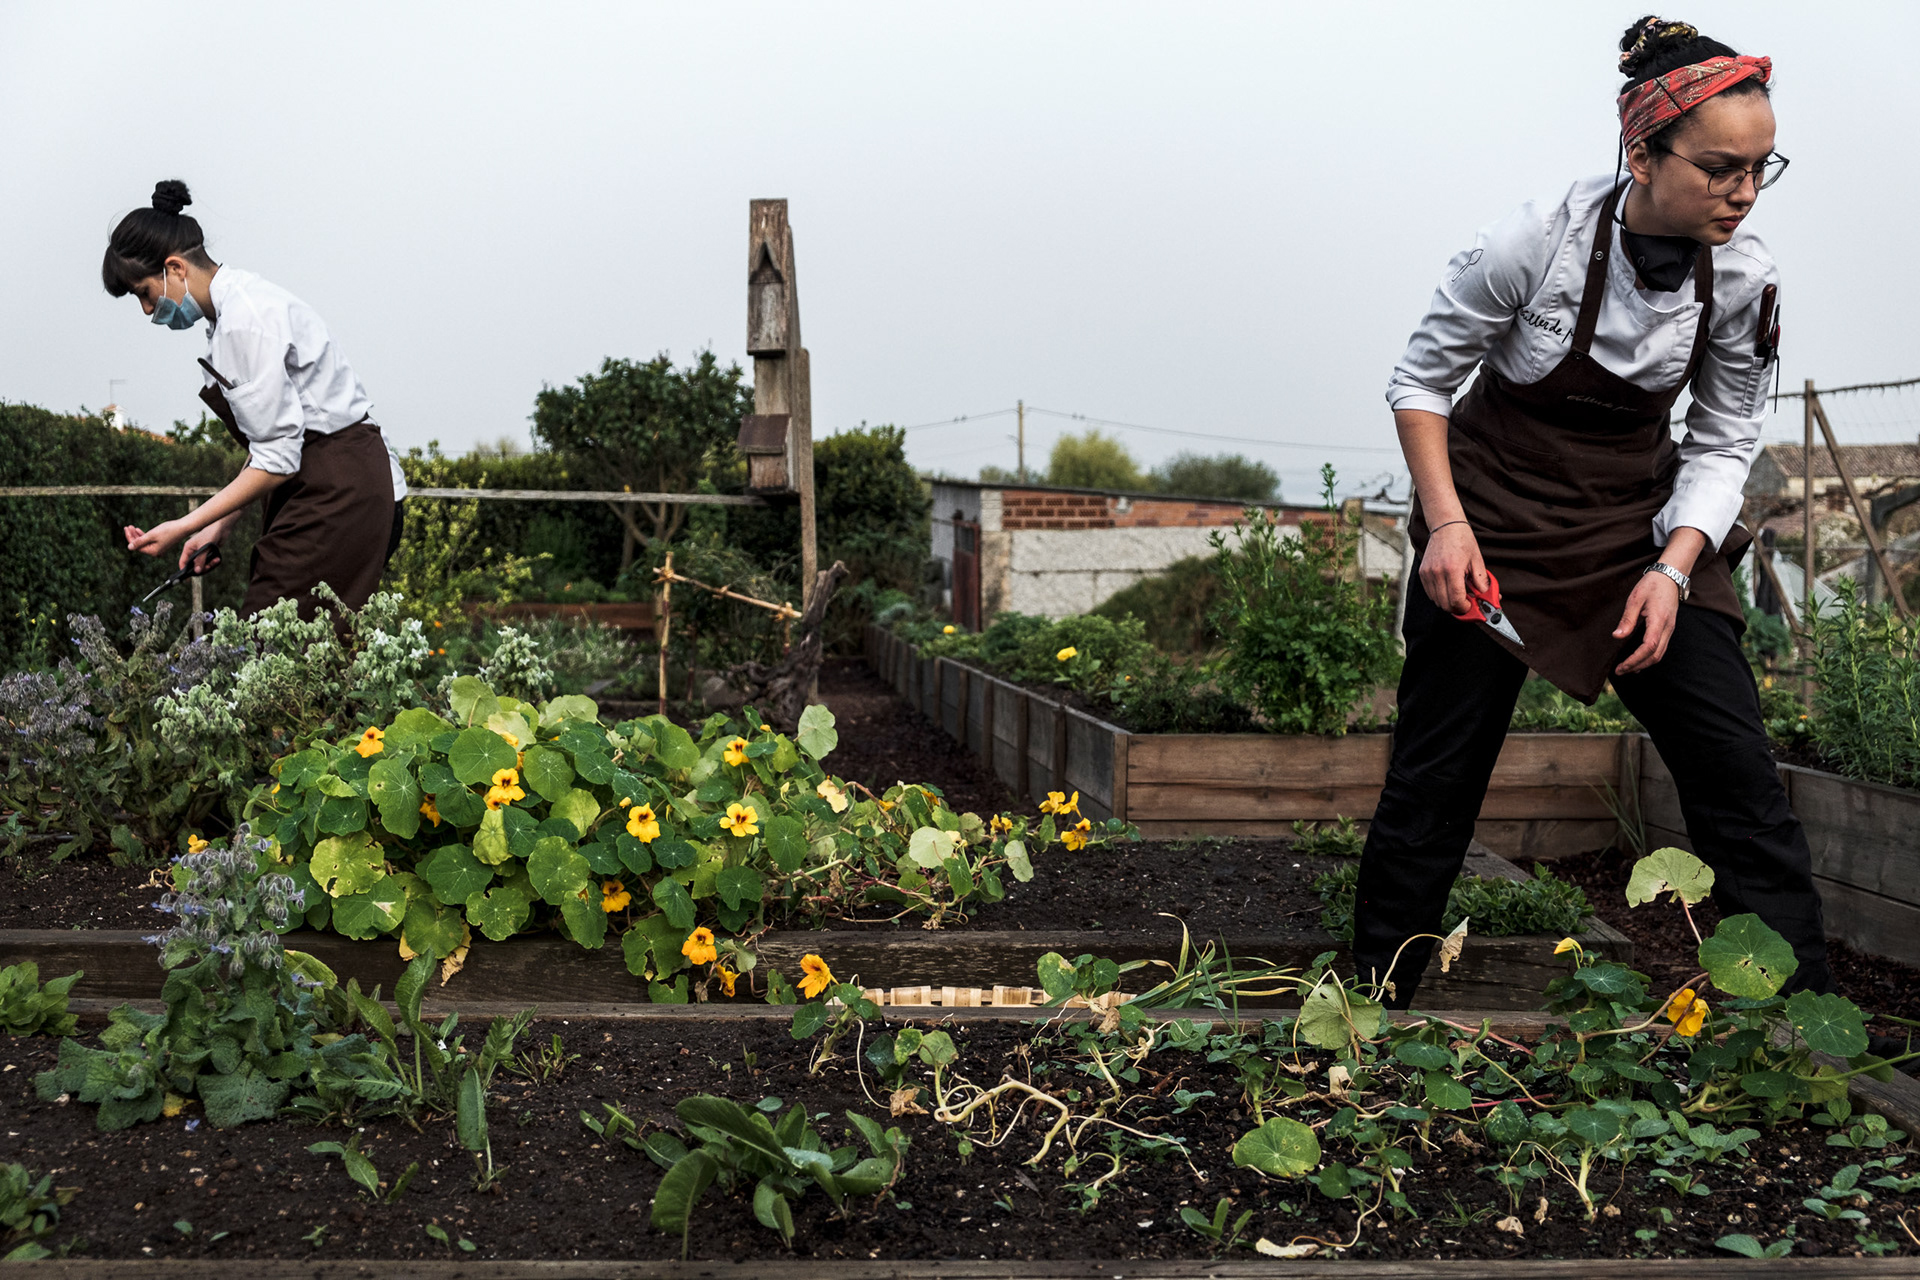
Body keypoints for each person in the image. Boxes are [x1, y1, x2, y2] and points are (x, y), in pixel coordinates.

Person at [1357, 16, 1831, 1005]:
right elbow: (1422, 379)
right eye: (1717, 167)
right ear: (1641, 153)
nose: (1742, 191)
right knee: (1438, 772)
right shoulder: (1534, 241)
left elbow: (1724, 435)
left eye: (1760, 167)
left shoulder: (1744, 277)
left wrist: (1672, 567)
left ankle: (1795, 1022)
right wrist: (1445, 526)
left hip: (1641, 527)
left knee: (1736, 771)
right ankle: (1376, 996)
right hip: (1492, 527)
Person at [106, 179, 407, 618]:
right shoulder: (236, 310)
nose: (148, 311)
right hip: (331, 488)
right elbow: (275, 440)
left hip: (341, 495)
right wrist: (217, 527)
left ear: (174, 269)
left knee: (270, 649)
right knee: (298, 661)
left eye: (145, 294)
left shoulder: (244, 323)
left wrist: (185, 525)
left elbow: (279, 457)